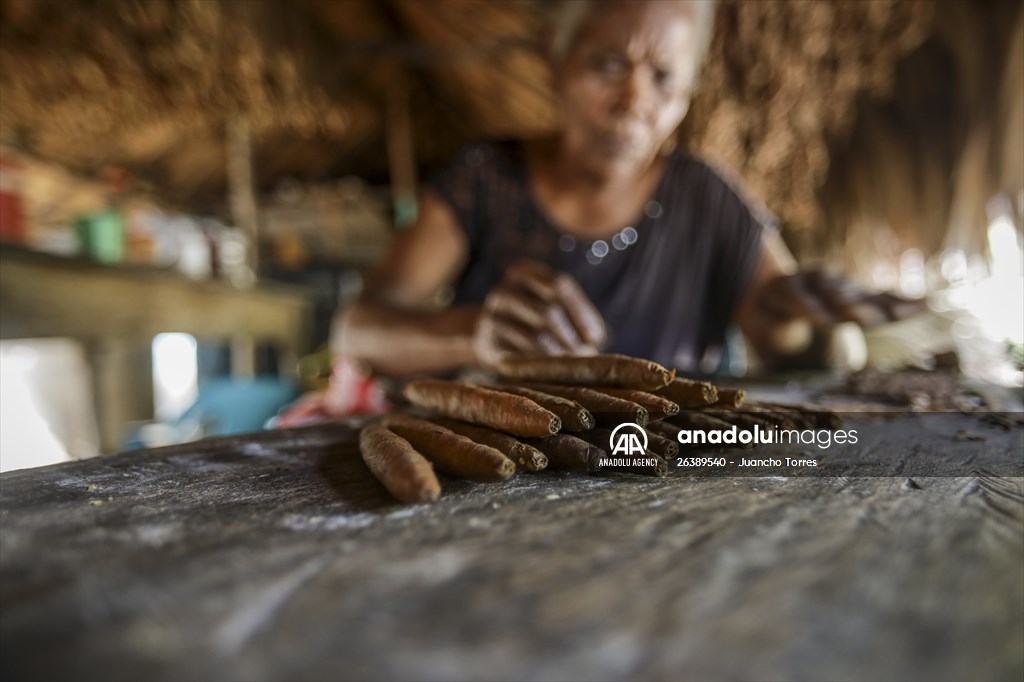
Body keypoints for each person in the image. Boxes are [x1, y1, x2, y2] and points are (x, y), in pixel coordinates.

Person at [333, 0, 920, 382]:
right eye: (609, 65)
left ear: (688, 93)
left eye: (663, 78)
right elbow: (356, 330)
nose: (635, 103)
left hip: (659, 488)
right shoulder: (486, 178)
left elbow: (803, 353)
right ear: (554, 61)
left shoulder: (707, 200)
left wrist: (798, 314)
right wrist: (473, 332)